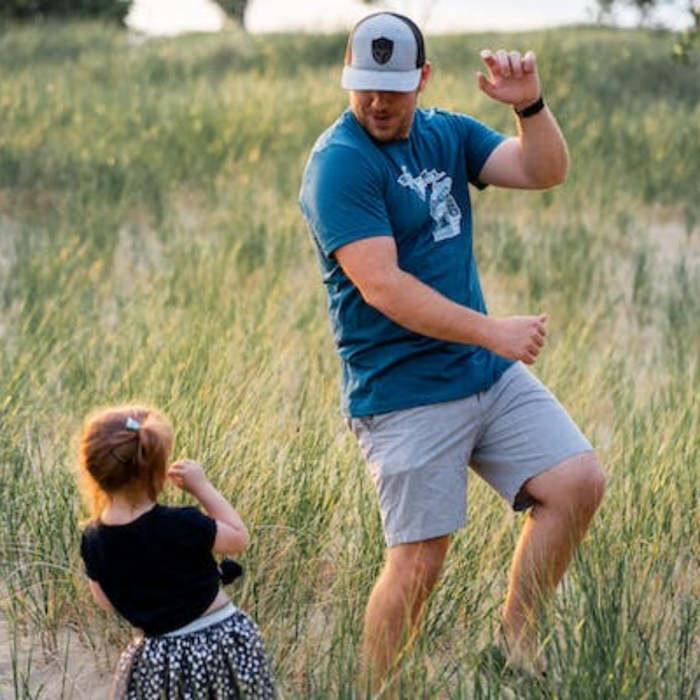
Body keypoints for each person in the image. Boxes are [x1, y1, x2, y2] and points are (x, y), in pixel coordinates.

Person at [299, 11, 605, 688]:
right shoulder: (339, 164)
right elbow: (383, 287)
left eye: (393, 86)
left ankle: (515, 643)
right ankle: (377, 690)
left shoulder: (446, 133)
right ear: (348, 80)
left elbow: (542, 170)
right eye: (364, 86)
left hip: (481, 373)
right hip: (403, 389)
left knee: (577, 482)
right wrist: (493, 331)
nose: (377, 101)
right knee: (419, 561)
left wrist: (529, 105)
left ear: (423, 78)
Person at [76, 404, 275, 699]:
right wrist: (201, 487)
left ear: (93, 470)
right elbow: (238, 538)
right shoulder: (180, 523)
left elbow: (104, 599)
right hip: (221, 642)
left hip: (156, 659)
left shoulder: (93, 540)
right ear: (156, 473)